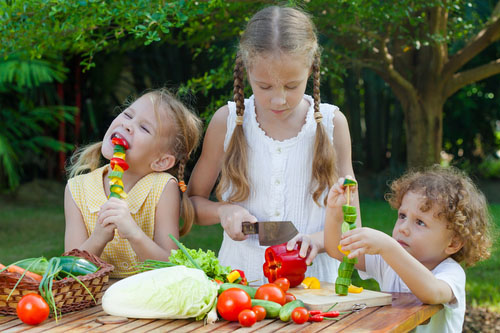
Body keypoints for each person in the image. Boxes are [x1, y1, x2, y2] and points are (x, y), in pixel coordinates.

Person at [187, 6, 359, 284]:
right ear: (245, 69)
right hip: (238, 285)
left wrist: (319, 240)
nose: (279, 100)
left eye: (291, 86)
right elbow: (190, 207)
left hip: (317, 287)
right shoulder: (227, 122)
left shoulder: (331, 124)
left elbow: (354, 224)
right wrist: (223, 211)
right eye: (264, 86)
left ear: (311, 67)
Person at [325, 166, 493, 332]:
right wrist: (333, 212)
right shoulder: (388, 261)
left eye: (420, 222)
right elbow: (338, 250)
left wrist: (388, 247)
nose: (403, 228)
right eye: (402, 216)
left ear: (453, 243)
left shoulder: (451, 273)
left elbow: (432, 293)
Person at [64, 88, 202, 278]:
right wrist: (98, 237)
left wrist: (133, 233)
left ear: (161, 161)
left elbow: (170, 267)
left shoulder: (163, 188)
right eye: (128, 114)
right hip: (93, 301)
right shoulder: (77, 189)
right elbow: (69, 269)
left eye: (144, 128)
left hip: (145, 299)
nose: (128, 125)